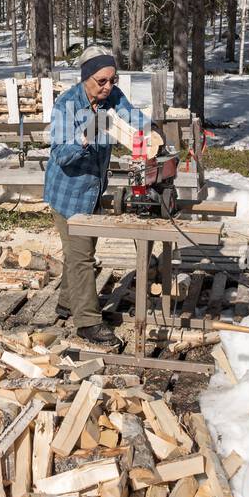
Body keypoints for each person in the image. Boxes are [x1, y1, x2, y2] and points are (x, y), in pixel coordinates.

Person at [44, 45, 159, 344]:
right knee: (82, 257)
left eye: (113, 80)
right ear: (85, 78)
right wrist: (85, 137)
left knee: (79, 252)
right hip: (68, 194)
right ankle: (88, 322)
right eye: (102, 81)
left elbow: (131, 117)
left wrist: (152, 131)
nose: (109, 87)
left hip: (94, 190)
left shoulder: (113, 97)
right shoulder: (66, 105)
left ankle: (67, 303)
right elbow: (60, 155)